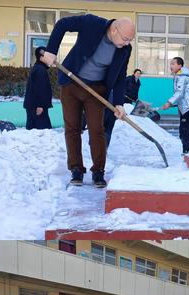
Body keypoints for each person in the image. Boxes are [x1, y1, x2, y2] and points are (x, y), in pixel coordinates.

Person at [41, 15, 134, 188]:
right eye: (126, 39)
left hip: (96, 90)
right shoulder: (91, 23)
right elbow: (62, 24)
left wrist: (119, 103)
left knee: (97, 129)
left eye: (130, 40)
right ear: (114, 30)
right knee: (72, 128)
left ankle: (98, 171)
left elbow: (120, 76)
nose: (127, 43)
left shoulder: (125, 49)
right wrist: (51, 50)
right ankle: (76, 169)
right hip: (72, 84)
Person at [160, 57, 189, 154]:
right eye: (171, 63)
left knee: (185, 131)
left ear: (180, 66)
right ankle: (188, 151)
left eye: (173, 63)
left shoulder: (182, 77)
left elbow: (179, 93)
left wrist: (169, 102)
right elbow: (183, 95)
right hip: (187, 108)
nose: (171, 66)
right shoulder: (179, 76)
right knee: (185, 131)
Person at [24, 46, 53, 130]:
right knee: (42, 132)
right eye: (48, 57)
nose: (50, 59)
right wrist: (40, 105)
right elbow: (40, 89)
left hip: (34, 106)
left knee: (33, 131)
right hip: (37, 107)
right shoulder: (40, 70)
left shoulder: (38, 68)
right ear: (41, 58)